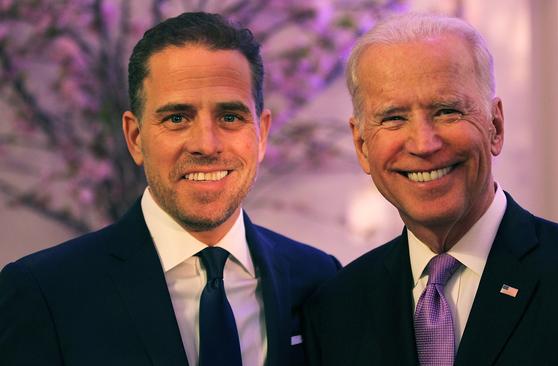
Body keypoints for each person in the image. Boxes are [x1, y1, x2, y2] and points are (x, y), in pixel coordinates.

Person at [303, 12, 558, 366]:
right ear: (362, 145)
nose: (424, 143)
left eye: (447, 111)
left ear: (495, 126)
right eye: (394, 118)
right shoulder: (335, 308)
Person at [0, 12, 340, 366]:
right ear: (134, 137)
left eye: (230, 117)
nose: (206, 145)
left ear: (262, 133)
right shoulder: (45, 293)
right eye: (177, 118)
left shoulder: (319, 279)